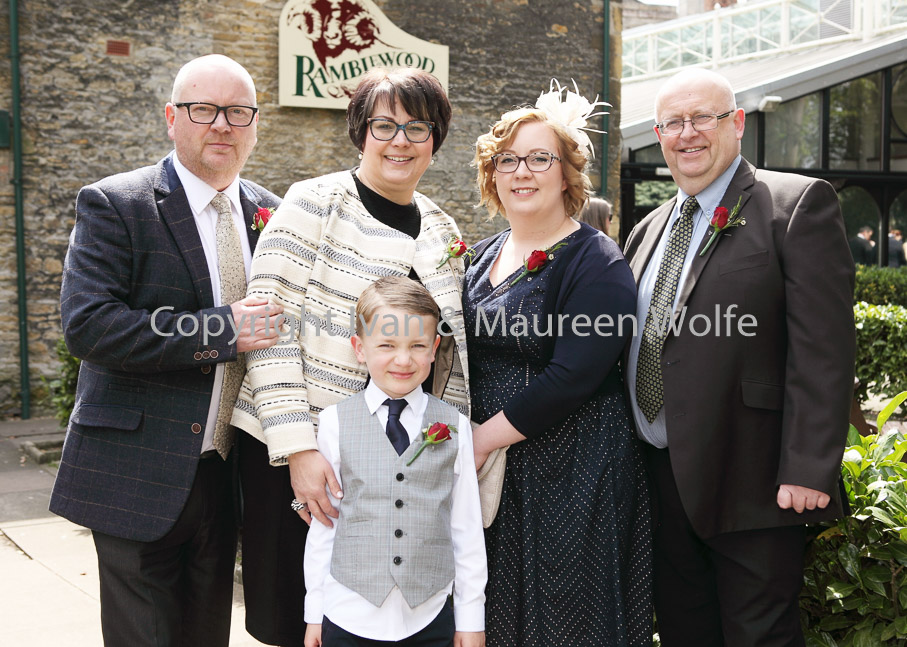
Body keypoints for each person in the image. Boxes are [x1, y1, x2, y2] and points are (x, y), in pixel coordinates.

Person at [232, 67, 470, 646]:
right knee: (300, 621)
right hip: (303, 453)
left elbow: (447, 354)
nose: (399, 141)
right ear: (361, 132)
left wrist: (446, 447)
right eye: (383, 125)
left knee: (384, 616)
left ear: (435, 139)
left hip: (397, 461)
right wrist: (300, 449)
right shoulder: (313, 203)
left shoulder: (442, 230)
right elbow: (269, 329)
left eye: (417, 127)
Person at [49, 54, 282, 646]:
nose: (222, 124)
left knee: (207, 635)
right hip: (136, 469)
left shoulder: (272, 215)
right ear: (172, 119)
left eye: (237, 112)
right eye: (203, 110)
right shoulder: (116, 203)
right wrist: (221, 330)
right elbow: (90, 326)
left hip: (226, 475)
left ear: (255, 124)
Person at [623, 68, 855, 646]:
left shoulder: (796, 205)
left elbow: (824, 348)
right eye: (673, 123)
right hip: (660, 479)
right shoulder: (647, 230)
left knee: (760, 636)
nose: (688, 133)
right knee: (685, 631)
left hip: (754, 478)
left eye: (703, 117)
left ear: (738, 123)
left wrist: (808, 467)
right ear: (658, 135)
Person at [464, 82, 652, 646]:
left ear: (567, 174)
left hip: (574, 470)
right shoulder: (482, 254)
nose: (522, 172)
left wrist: (480, 441)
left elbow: (573, 376)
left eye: (540, 159)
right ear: (492, 174)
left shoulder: (596, 261)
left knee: (567, 623)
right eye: (508, 160)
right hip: (497, 474)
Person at [302, 276, 486, 647]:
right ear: (360, 348)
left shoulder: (455, 426)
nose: (403, 360)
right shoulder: (335, 422)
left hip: (428, 618)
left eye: (417, 345)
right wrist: (314, 611)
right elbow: (326, 525)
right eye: (387, 345)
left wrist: (470, 618)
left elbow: (465, 527)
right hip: (347, 614)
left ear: (434, 349)